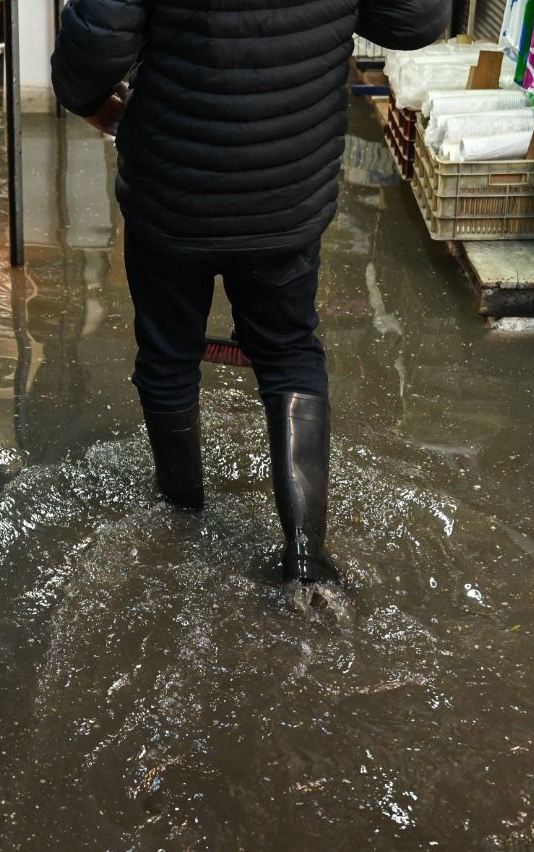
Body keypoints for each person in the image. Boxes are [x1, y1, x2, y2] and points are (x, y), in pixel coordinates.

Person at [51, 0, 448, 584]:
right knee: (289, 353)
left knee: (167, 353)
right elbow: (415, 21)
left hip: (173, 186)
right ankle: (308, 562)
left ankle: (180, 523)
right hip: (288, 185)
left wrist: (103, 112)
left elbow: (93, 54)